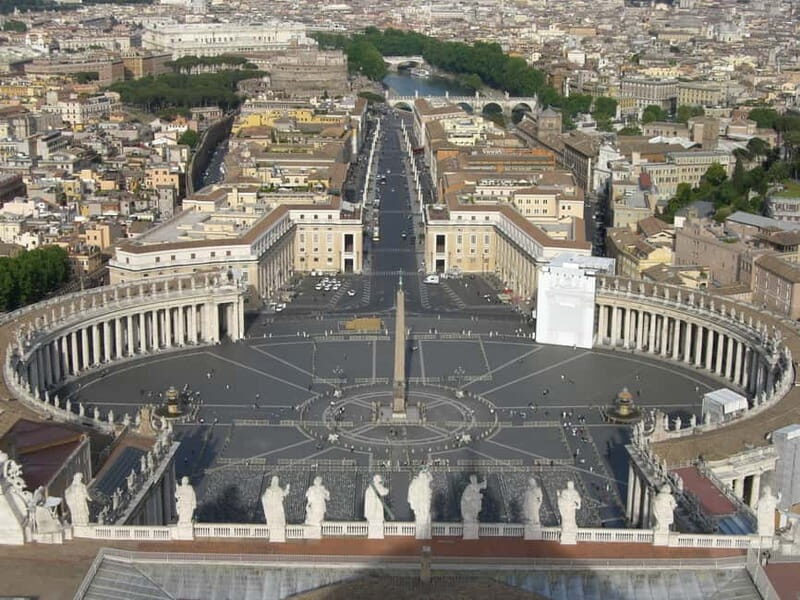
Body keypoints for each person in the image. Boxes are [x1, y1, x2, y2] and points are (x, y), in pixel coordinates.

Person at [408, 469, 433, 538]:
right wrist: (414, 505)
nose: (425, 476)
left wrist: (427, 471)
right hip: (420, 503)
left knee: (426, 516)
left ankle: (425, 535)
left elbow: (431, 478)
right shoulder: (416, 482)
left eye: (425, 475)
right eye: (423, 475)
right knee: (421, 518)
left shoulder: (425, 482)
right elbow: (411, 493)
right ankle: (421, 535)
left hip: (426, 502)